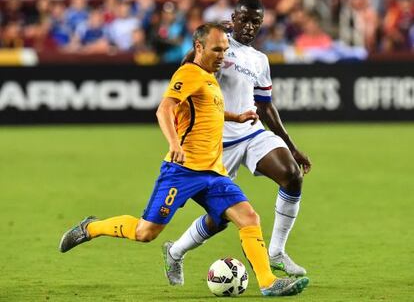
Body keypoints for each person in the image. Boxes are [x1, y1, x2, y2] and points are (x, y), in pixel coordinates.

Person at [58, 22, 309, 297]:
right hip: (182, 171)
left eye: (225, 50)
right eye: (216, 50)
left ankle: (268, 282)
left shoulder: (210, 76)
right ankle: (91, 227)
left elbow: (209, 110)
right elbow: (164, 109)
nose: (222, 56)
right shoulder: (189, 73)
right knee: (146, 232)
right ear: (199, 47)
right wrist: (174, 143)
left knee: (248, 217)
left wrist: (237, 117)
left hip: (213, 172)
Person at [163, 0, 312, 287]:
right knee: (220, 218)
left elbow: (266, 106)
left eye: (255, 22)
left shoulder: (260, 60)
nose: (249, 26)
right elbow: (185, 68)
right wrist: (209, 37)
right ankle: (176, 251)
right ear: (233, 18)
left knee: (292, 176)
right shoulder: (219, 46)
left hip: (252, 132)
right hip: (217, 144)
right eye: (243, 19)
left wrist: (291, 147)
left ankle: (277, 252)